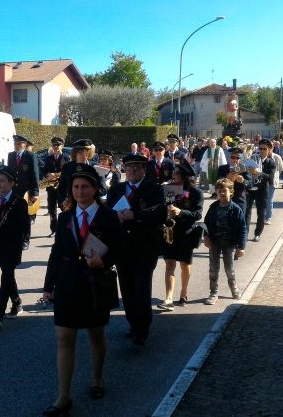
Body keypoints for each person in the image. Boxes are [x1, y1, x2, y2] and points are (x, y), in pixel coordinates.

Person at [42, 167, 123, 414]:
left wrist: (104, 261)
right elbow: (57, 252)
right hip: (67, 285)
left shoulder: (108, 217)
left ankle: (97, 378)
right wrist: (48, 287)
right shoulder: (66, 217)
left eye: (84, 187)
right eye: (75, 187)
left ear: (95, 189)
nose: (79, 192)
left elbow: (120, 250)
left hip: (95, 285)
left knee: (95, 336)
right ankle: (63, 397)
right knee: (65, 339)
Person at [106, 154, 167, 346]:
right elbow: (107, 213)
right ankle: (132, 323)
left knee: (142, 288)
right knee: (127, 289)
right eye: (129, 167)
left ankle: (142, 329)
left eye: (137, 167)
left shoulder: (154, 189)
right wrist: (116, 218)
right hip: (122, 247)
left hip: (145, 247)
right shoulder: (115, 189)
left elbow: (160, 213)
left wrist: (135, 215)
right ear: (124, 169)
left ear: (143, 170)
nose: (132, 170)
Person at [0, 165, 30, 328]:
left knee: (6, 275)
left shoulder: (18, 202)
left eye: (3, 181)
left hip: (13, 243)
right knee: (7, 273)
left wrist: (3, 228)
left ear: (12, 184)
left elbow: (24, 226)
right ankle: (17, 302)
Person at [157, 159, 203, 310]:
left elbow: (197, 215)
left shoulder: (196, 193)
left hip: (186, 233)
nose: (173, 175)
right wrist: (161, 193)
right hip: (170, 231)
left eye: (177, 173)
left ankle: (183, 293)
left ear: (184, 176)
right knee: (169, 264)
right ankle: (168, 298)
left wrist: (180, 212)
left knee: (185, 265)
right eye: (174, 172)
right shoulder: (168, 188)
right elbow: (159, 207)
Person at [202, 178, 246, 305]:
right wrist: (206, 236)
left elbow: (242, 228)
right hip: (214, 243)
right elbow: (206, 224)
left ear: (231, 192)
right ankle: (213, 292)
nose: (222, 193)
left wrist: (241, 246)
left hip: (229, 243)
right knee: (213, 268)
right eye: (219, 190)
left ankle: (233, 286)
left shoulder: (236, 209)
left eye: (224, 190)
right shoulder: (213, 207)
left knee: (229, 268)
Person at [7, 135, 39, 250]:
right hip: (13, 190)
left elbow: (35, 174)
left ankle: (25, 240)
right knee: (14, 215)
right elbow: (9, 173)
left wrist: (35, 192)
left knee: (26, 216)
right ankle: (17, 238)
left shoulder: (30, 156)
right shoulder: (11, 155)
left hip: (26, 191)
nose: (17, 146)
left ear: (25, 144)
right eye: (15, 143)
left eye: (19, 144)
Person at [57, 139, 107, 207]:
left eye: (86, 153)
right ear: (75, 153)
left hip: (92, 205)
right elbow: (61, 188)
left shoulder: (97, 167)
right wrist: (64, 200)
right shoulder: (67, 167)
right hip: (72, 205)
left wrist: (86, 196)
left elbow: (103, 189)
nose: (84, 156)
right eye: (81, 153)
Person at [245, 139, 277, 242]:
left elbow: (270, 177)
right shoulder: (253, 158)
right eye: (260, 148)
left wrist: (259, 173)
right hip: (250, 189)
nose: (262, 151)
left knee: (261, 213)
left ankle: (257, 233)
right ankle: (245, 233)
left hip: (262, 190)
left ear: (269, 150)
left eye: (264, 149)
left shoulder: (271, 162)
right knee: (247, 212)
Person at [43, 137, 70, 237]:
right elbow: (44, 170)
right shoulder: (48, 158)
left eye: (57, 145)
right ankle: (54, 229)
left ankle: (65, 228)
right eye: (54, 145)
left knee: (64, 207)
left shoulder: (67, 157)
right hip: (51, 187)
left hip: (62, 187)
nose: (55, 147)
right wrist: (48, 174)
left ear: (62, 146)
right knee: (52, 208)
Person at [216, 146, 252, 214]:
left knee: (240, 220)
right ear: (228, 157)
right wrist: (226, 178)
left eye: (238, 158)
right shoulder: (222, 168)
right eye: (233, 157)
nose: (235, 160)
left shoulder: (244, 168)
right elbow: (217, 182)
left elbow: (250, 183)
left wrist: (243, 181)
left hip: (240, 198)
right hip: (225, 198)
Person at [266, 143, 283, 224]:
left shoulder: (276, 157)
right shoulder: (260, 157)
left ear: (271, 149)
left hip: (271, 182)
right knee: (262, 201)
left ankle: (268, 218)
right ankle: (261, 217)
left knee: (269, 200)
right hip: (261, 182)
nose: (265, 151)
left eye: (267, 149)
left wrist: (275, 175)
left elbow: (281, 168)